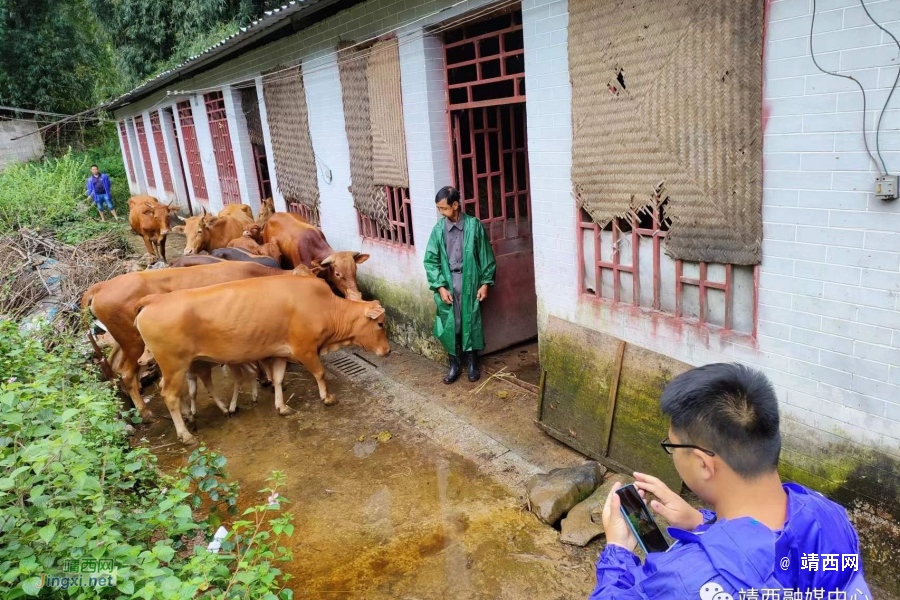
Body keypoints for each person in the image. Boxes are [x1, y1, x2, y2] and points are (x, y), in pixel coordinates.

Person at [591, 363, 871, 600]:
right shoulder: (826, 513)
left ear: (703, 463)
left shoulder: (682, 580)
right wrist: (702, 523)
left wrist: (618, 550)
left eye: (672, 446)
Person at [423, 186, 496, 384]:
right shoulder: (438, 230)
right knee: (451, 323)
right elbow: (430, 261)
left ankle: (473, 363)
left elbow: (486, 256)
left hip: (470, 280)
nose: (441, 212)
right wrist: (440, 286)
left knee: (470, 320)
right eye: (438, 208)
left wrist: (485, 283)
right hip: (447, 283)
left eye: (443, 208)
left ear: (455, 205)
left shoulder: (474, 226)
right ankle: (454, 365)